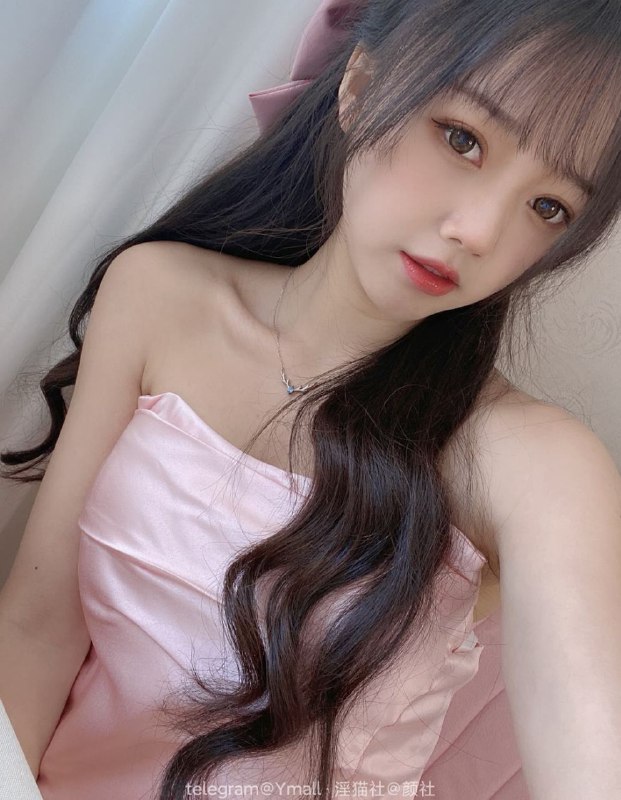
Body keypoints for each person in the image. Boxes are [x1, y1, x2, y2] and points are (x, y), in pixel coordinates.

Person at [1, 0, 620, 798]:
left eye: (547, 208)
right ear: (359, 86)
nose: (477, 230)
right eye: (462, 138)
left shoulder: (525, 459)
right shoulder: (157, 294)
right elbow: (37, 628)